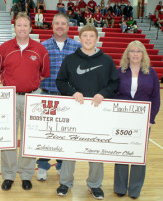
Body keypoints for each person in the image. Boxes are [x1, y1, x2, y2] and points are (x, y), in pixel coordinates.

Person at [55, 25, 120, 200]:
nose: (88, 39)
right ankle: (65, 182)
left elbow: (114, 83)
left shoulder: (106, 60)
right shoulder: (70, 59)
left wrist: (103, 94)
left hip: (99, 112)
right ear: (80, 38)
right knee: (70, 148)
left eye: (92, 36)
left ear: (97, 38)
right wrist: (73, 92)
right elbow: (60, 81)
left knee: (96, 147)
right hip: (75, 112)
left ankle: (95, 184)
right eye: (85, 36)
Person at [0, 12, 50, 191]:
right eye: (19, 25)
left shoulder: (40, 50)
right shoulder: (3, 49)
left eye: (26, 25)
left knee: (28, 139)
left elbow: (43, 73)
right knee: (9, 139)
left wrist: (30, 87)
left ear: (31, 27)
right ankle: (8, 175)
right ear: (14, 27)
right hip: (9, 98)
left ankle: (26, 174)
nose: (22, 28)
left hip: (32, 98)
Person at [37, 13, 81, 181]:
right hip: (47, 95)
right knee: (45, 133)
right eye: (57, 23)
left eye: (64, 23)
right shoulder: (43, 46)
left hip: (69, 99)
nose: (60, 26)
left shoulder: (77, 47)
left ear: (68, 27)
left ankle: (62, 165)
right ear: (52, 26)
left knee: (65, 134)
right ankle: (42, 166)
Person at [114, 40, 160, 200]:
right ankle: (120, 187)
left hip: (143, 119)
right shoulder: (120, 72)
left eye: (138, 51)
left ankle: (135, 188)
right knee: (122, 152)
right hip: (123, 118)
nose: (135, 54)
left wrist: (151, 118)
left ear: (143, 54)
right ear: (127, 54)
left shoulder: (151, 73)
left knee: (139, 154)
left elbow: (156, 97)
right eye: (132, 51)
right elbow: (114, 94)